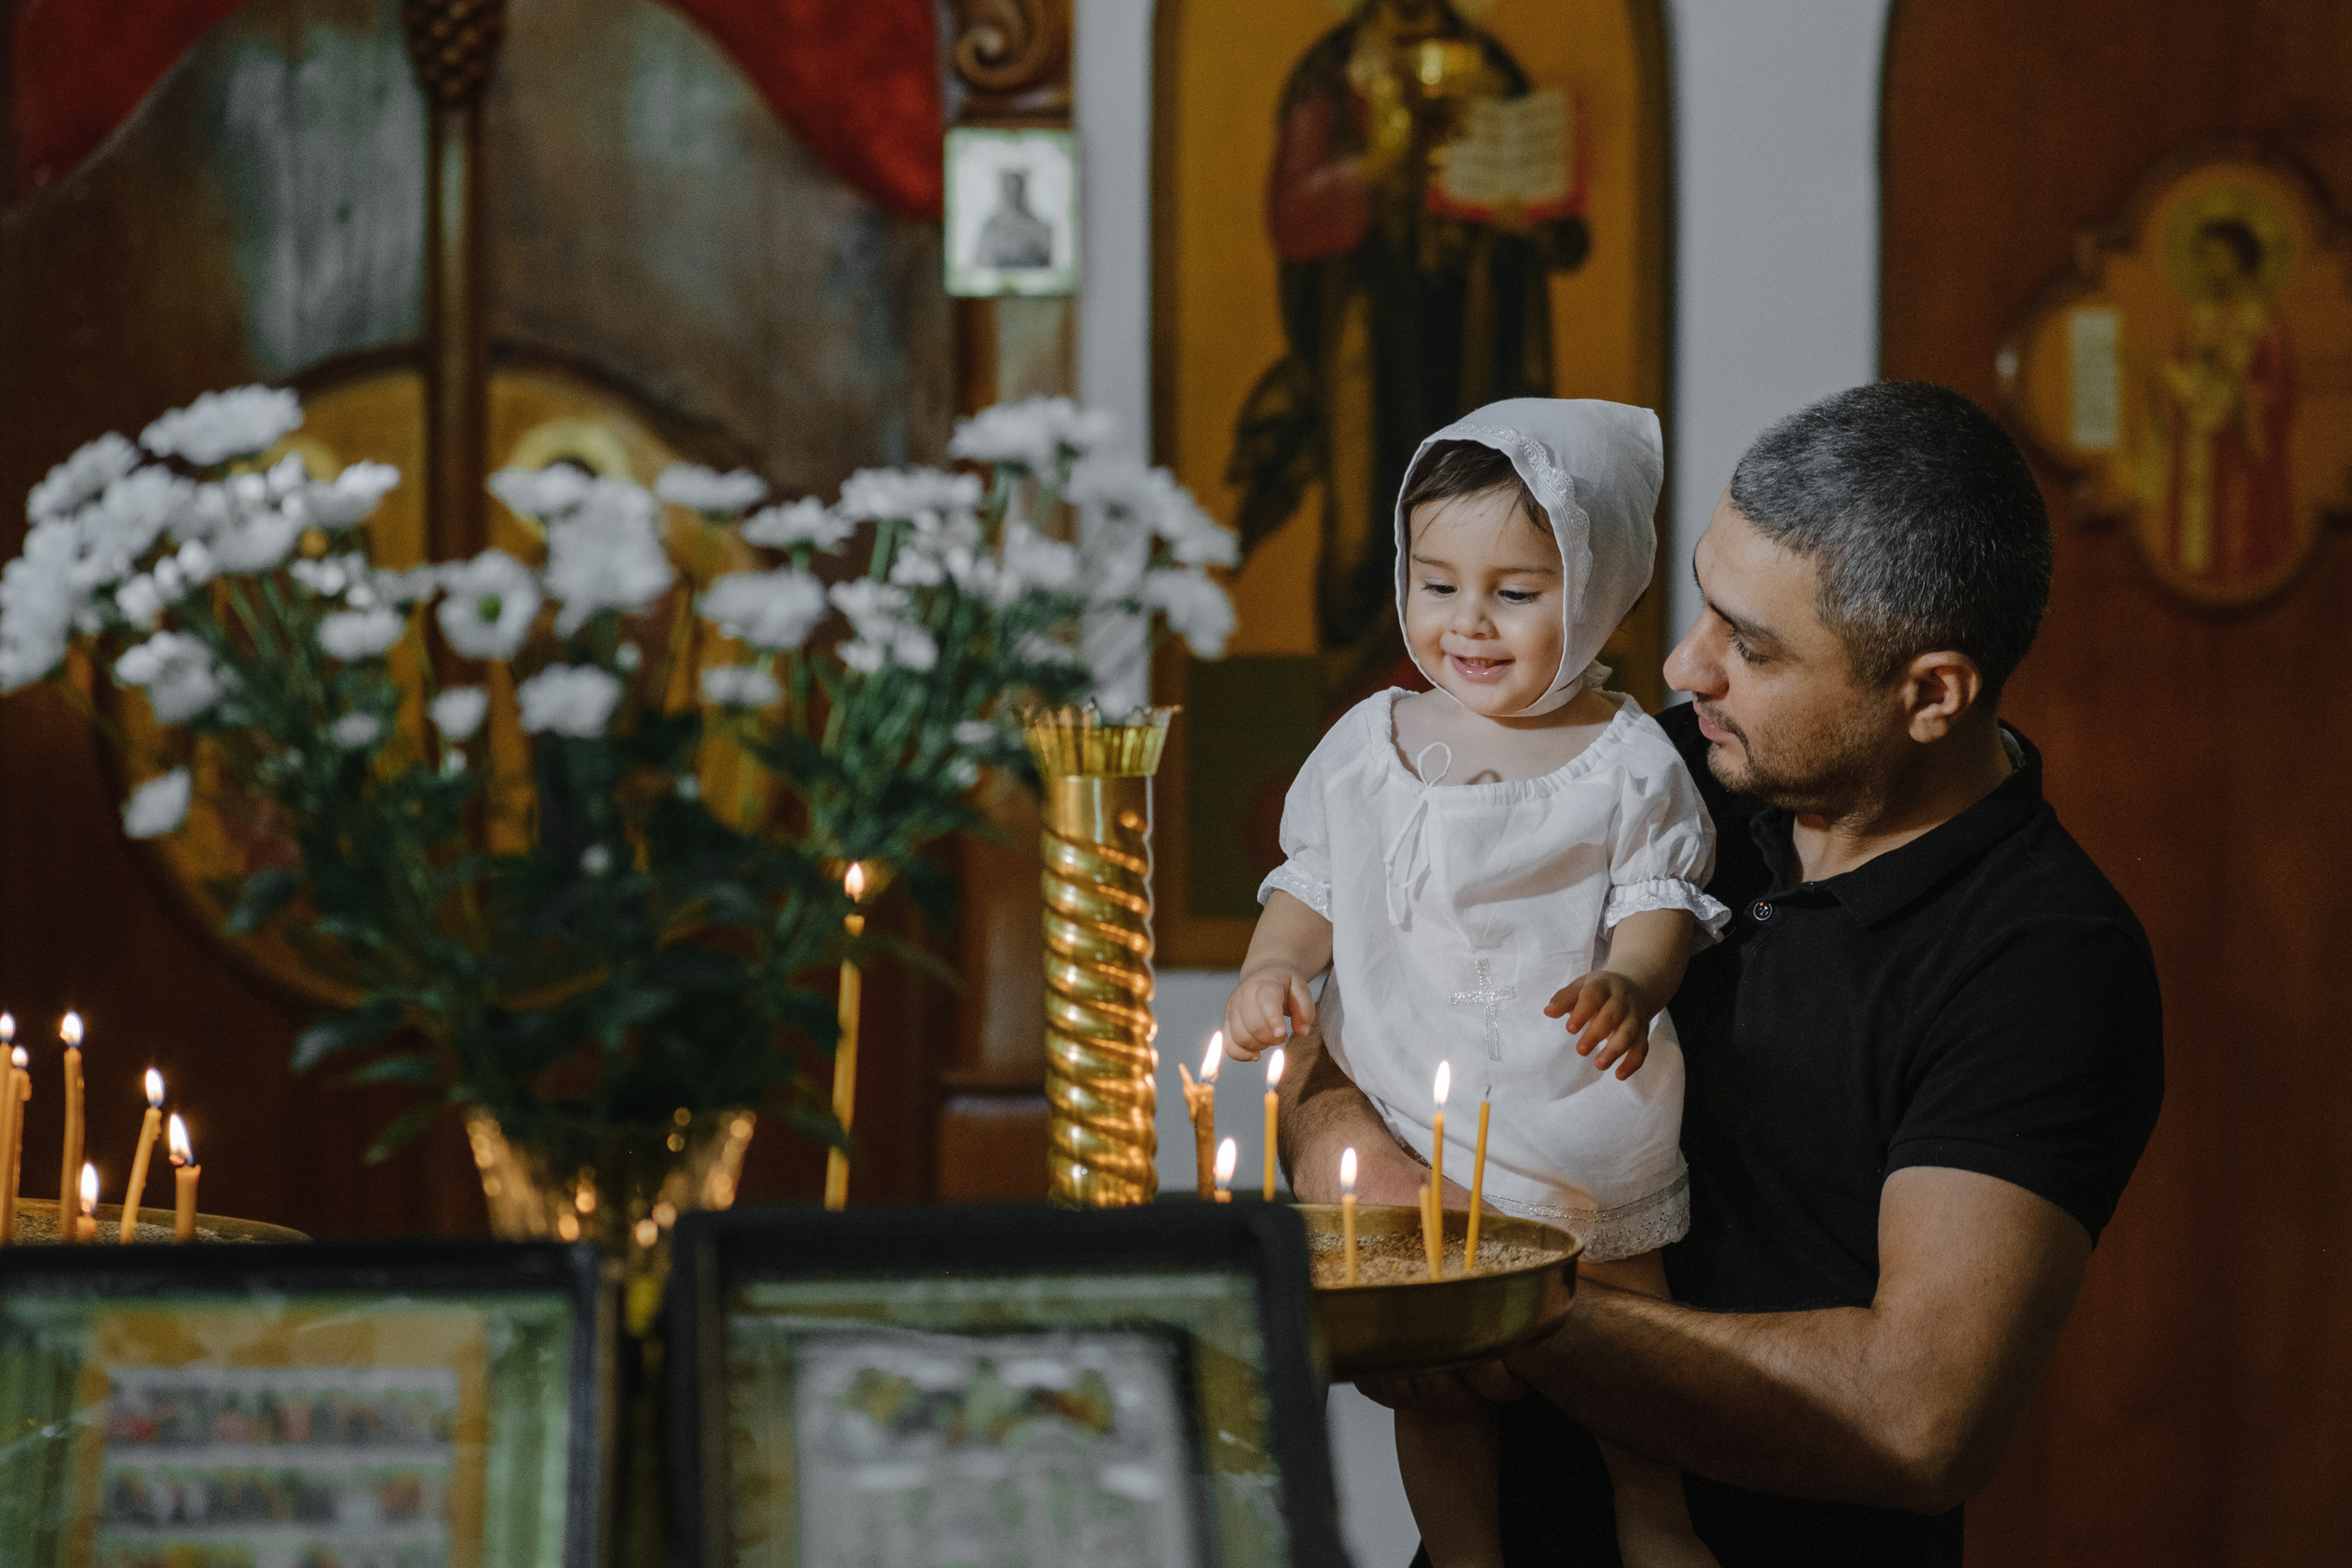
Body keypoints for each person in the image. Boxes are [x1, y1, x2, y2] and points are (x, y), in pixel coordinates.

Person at [1280, 382, 2165, 1565]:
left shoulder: (2045, 962)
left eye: (1749, 645)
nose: (1685, 665)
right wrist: (1364, 1165)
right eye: (1704, 602)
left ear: (1932, 694)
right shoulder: (1635, 771)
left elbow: (1917, 1420)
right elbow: (1339, 1003)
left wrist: (1491, 1297)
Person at [1224, 399, 1729, 1568]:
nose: (1469, 623)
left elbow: (1659, 902)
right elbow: (1312, 885)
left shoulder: (1624, 758)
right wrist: (1269, 970)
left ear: (1597, 589)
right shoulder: (1372, 738)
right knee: (1431, 1374)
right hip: (1414, 1104)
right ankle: (1458, 1550)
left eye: (1516, 591)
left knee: (1633, 1333)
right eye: (1438, 583)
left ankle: (1654, 1516)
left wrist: (1631, 986)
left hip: (1569, 1099)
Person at [1227, 0, 1591, 701]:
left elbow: (1558, 225)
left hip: (1478, 339)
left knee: (1492, 519)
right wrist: (1382, 163)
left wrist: (1527, 204)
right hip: (1368, 343)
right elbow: (1295, 217)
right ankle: (1356, 722)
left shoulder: (1488, 67)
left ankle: (1487, 714)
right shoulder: (1333, 74)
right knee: (1365, 540)